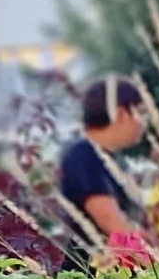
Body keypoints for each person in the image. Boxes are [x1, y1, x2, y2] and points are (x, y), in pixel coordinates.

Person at [59, 76, 149, 248]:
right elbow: (112, 223)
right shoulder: (83, 154)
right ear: (121, 114)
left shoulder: (110, 157)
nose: (144, 123)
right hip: (95, 272)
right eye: (141, 111)